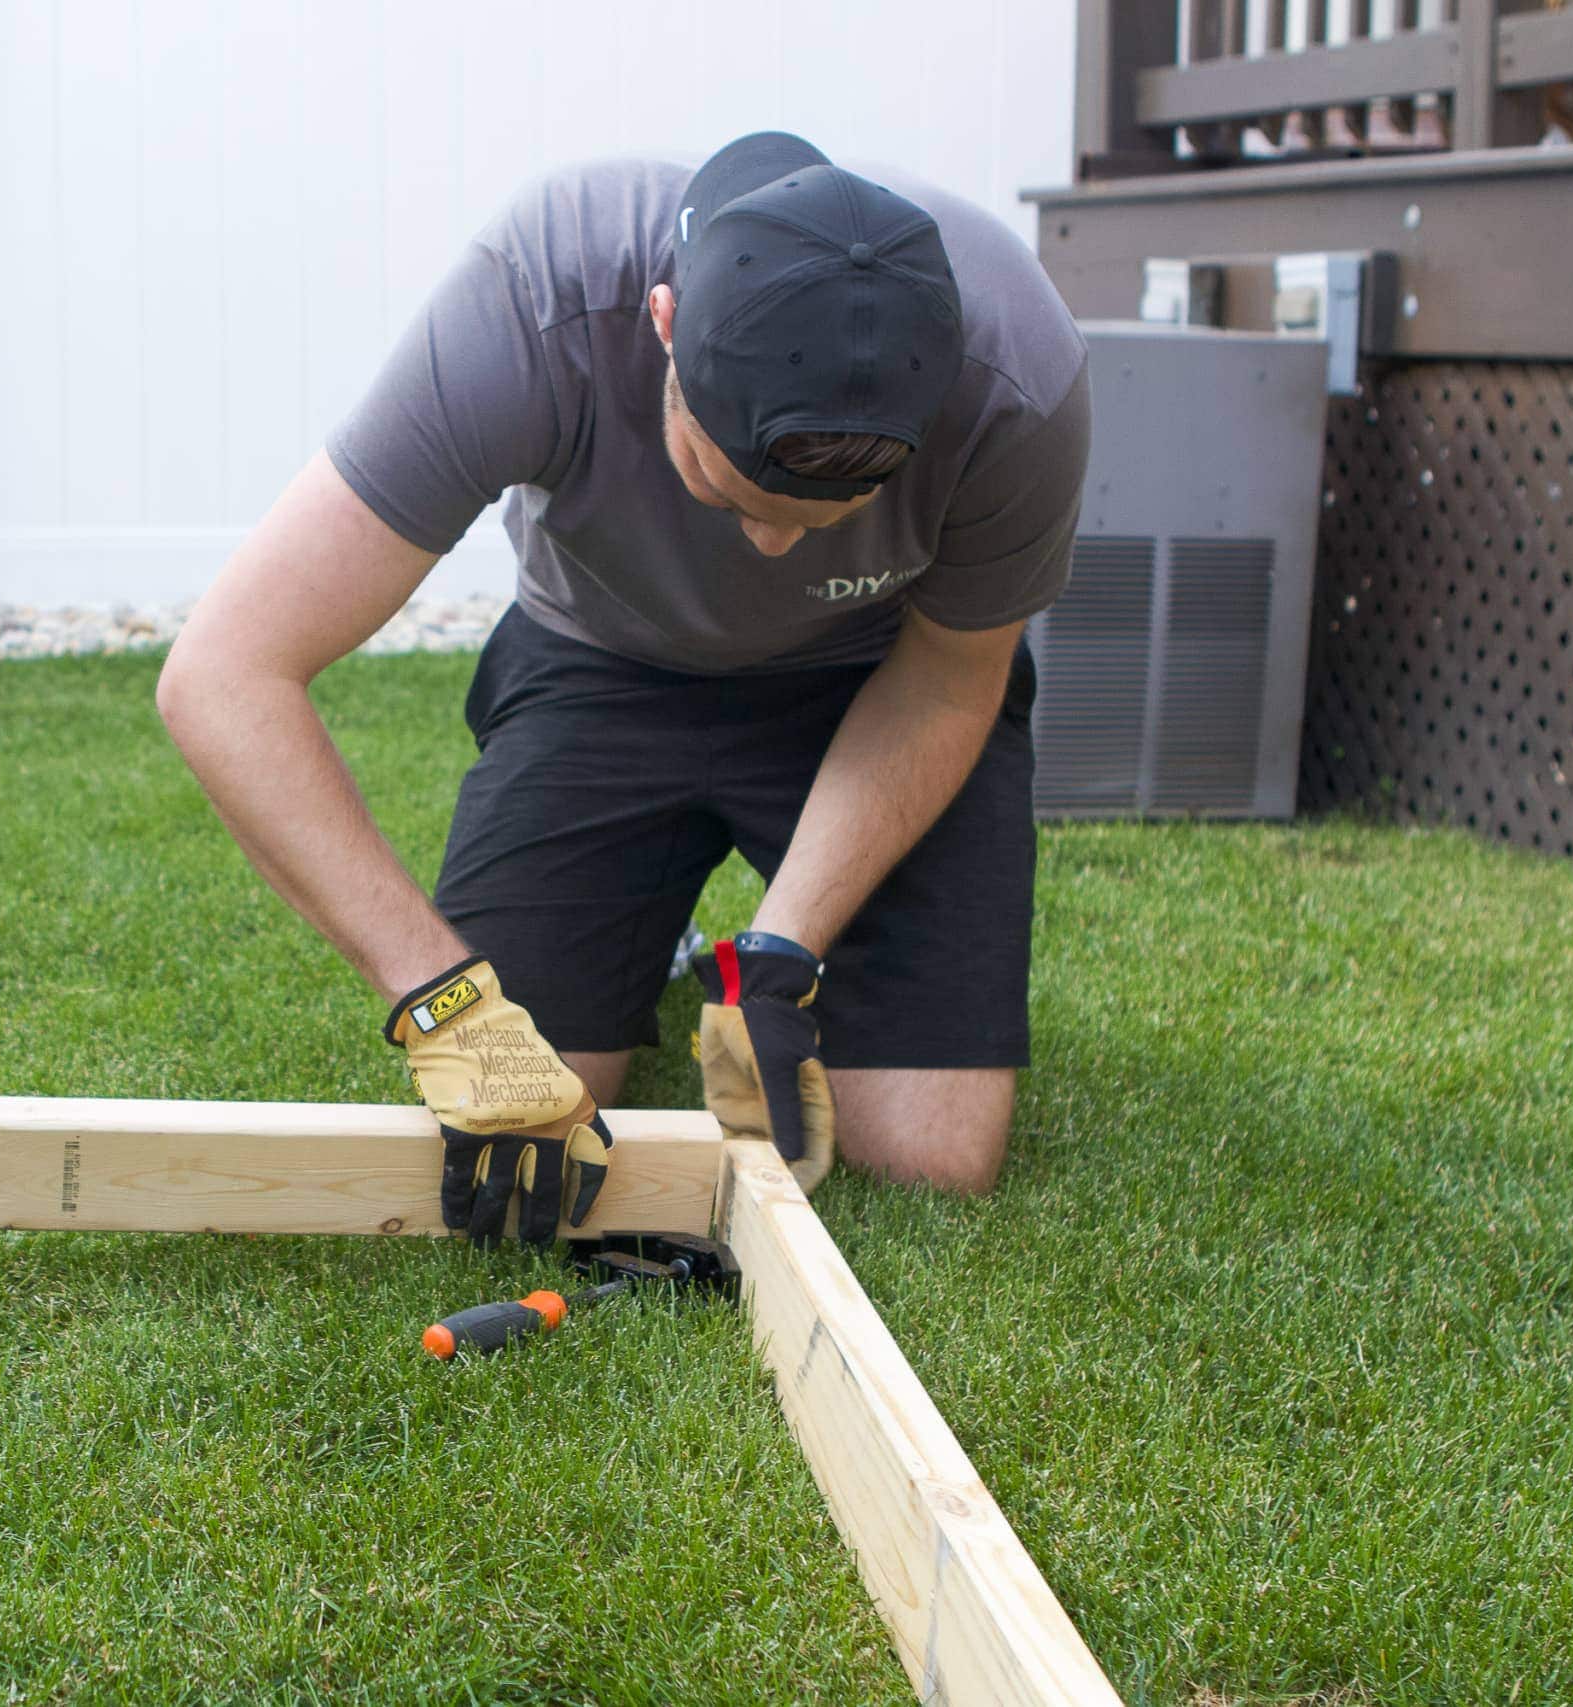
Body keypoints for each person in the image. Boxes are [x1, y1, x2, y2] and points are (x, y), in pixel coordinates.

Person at [158, 132, 1091, 1244]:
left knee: (925, 1157)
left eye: (815, 521)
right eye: (728, 489)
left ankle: (726, 958)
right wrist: (447, 1005)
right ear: (661, 331)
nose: (771, 547)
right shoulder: (536, 298)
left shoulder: (1018, 375)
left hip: (868, 683)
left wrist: (781, 958)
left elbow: (946, 684)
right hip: (601, 667)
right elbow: (224, 674)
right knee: (539, 1108)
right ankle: (636, 943)